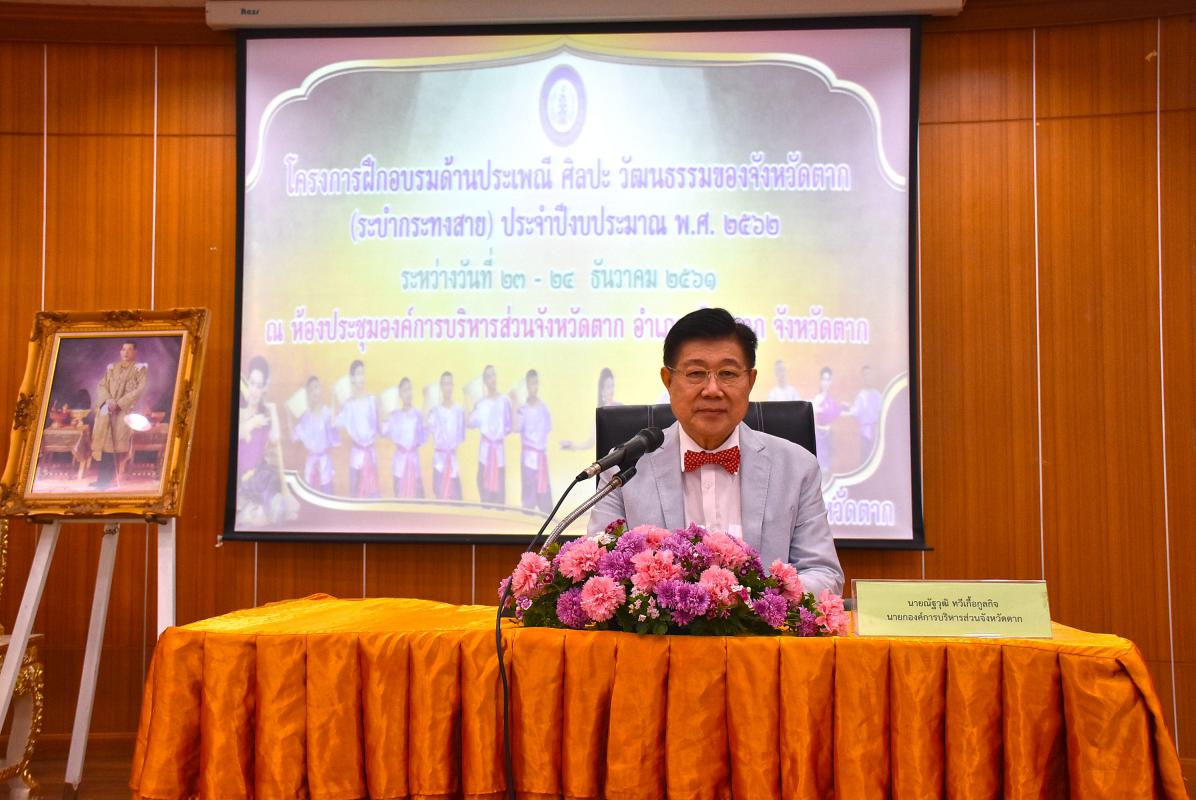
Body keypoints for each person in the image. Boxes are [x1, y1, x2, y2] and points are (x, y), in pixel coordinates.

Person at [587, 307, 843, 597]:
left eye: (728, 373)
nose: (712, 389)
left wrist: (755, 602)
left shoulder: (797, 467)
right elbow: (598, 571)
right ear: (668, 381)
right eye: (696, 373)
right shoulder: (625, 467)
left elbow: (823, 574)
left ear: (750, 381)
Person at [91, 340, 147, 489]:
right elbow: (102, 385)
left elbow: (139, 390)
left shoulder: (139, 369)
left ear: (135, 352)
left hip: (122, 413)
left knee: (114, 446)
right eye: (123, 349)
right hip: (107, 409)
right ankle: (101, 479)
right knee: (104, 445)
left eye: (129, 349)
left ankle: (108, 481)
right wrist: (108, 400)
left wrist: (119, 403)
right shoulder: (112, 368)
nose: (126, 352)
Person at [236, 356, 283, 525]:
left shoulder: (266, 416)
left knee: (276, 507)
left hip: (261, 477)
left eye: (259, 385)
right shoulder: (240, 413)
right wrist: (252, 423)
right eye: (252, 384)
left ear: (264, 388)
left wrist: (273, 410)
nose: (254, 390)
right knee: (252, 516)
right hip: (242, 481)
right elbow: (238, 434)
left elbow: (275, 438)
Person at [468, 364, 512, 505]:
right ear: (484, 381)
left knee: (500, 501)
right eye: (488, 376)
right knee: (485, 500)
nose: (492, 379)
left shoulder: (504, 401)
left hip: (498, 457)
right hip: (485, 457)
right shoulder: (481, 404)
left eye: (494, 375)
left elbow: (509, 426)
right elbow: (470, 423)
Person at [336, 359, 379, 498]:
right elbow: (335, 424)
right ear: (352, 378)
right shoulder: (348, 405)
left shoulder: (372, 401)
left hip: (371, 457)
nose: (361, 378)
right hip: (356, 458)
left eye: (362, 374)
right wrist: (335, 400)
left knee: (374, 496)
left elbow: (380, 428)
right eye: (358, 374)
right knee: (354, 497)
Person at [291, 376, 338, 494]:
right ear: (308, 394)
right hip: (310, 467)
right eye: (311, 390)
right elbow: (294, 437)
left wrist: (333, 399)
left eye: (316, 387)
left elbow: (334, 437)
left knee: (327, 499)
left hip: (324, 466)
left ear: (320, 389)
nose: (314, 392)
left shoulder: (327, 413)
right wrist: (288, 413)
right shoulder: (305, 416)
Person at [515, 369, 552, 513]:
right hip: (528, 461)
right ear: (526, 386)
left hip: (541, 461)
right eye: (531, 384)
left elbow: (547, 429)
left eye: (536, 383)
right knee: (528, 502)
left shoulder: (544, 409)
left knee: (546, 505)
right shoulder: (522, 410)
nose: (534, 387)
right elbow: (516, 428)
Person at [383, 377, 426, 498]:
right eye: (405, 390)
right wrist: (383, 411)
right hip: (399, 466)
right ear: (400, 394)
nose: (408, 393)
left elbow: (423, 437)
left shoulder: (418, 414)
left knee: (419, 500)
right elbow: (383, 431)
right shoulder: (394, 416)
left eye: (410, 389)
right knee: (400, 499)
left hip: (414, 463)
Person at [560, 367, 619, 452]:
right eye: (608, 387)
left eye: (613, 386)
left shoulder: (621, 407)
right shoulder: (600, 413)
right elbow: (590, 442)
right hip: (607, 456)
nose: (612, 390)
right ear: (602, 391)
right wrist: (572, 445)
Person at [427, 371, 465, 500]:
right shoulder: (434, 411)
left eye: (449, 384)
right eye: (445, 384)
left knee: (457, 501)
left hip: (453, 463)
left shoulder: (458, 411)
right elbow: (427, 429)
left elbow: (461, 436)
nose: (447, 387)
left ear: (453, 386)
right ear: (441, 387)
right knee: (440, 500)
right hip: (439, 463)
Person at [843, 365, 883, 465]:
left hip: (877, 434)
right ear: (863, 378)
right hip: (864, 434)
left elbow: (881, 413)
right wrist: (847, 407)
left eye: (869, 374)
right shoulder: (861, 395)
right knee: (865, 460)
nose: (868, 377)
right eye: (865, 375)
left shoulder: (878, 395)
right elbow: (855, 411)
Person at [812, 366, 840, 475]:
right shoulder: (818, 399)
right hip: (820, 435)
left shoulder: (831, 400)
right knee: (821, 467)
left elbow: (836, 412)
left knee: (828, 467)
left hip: (829, 434)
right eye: (824, 379)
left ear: (831, 381)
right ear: (820, 380)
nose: (826, 382)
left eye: (828, 379)